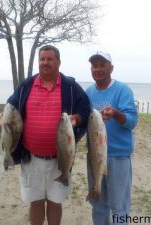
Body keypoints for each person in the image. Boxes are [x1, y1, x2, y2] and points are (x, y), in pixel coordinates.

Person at [7, 45, 91, 225]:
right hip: (31, 158)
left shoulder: (70, 86)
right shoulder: (26, 85)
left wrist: (77, 118)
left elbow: (86, 110)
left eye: (49, 59)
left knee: (55, 202)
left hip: (60, 159)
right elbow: (11, 108)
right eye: (42, 59)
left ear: (58, 62)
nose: (45, 63)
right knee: (35, 202)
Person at [85, 51, 138, 225]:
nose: (98, 69)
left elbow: (131, 121)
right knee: (98, 204)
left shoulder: (122, 90)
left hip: (118, 157)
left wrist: (116, 113)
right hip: (94, 155)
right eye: (94, 65)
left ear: (111, 68)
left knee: (119, 206)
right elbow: (83, 120)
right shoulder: (89, 92)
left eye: (102, 65)